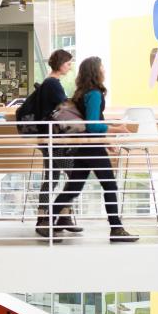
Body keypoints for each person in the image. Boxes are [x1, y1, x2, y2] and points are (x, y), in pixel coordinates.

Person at [50, 56, 139, 242]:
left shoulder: (83, 92)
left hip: (84, 146)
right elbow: (92, 124)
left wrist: (106, 140)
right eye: (102, 67)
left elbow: (92, 121)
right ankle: (116, 229)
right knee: (110, 185)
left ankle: (49, 221)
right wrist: (116, 129)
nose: (104, 70)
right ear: (95, 71)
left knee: (73, 188)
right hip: (91, 147)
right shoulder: (95, 94)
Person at [34, 49, 83, 241]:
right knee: (72, 174)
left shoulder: (49, 83)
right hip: (54, 140)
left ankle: (56, 217)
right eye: (69, 63)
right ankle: (52, 218)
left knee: (53, 177)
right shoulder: (53, 85)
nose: (70, 67)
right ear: (61, 63)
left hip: (49, 139)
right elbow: (65, 111)